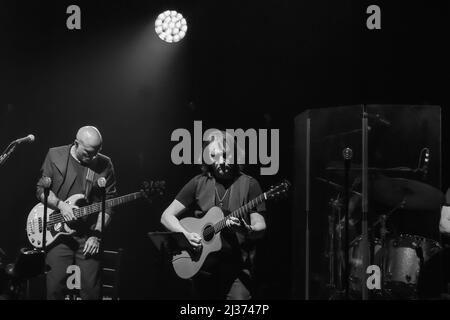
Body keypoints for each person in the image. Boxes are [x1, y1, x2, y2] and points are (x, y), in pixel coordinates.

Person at [161, 130, 266, 300]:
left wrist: (245, 229)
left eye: (225, 155)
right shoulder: (199, 182)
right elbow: (166, 216)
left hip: (236, 269)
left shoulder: (250, 184)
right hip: (203, 267)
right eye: (214, 156)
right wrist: (185, 234)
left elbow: (260, 227)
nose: (221, 161)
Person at [36, 126, 117, 300]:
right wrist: (61, 205)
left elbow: (108, 204)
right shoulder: (55, 155)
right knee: (54, 291)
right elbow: (40, 191)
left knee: (92, 292)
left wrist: (96, 234)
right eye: (88, 152)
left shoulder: (105, 164)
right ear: (76, 144)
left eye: (97, 152)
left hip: (88, 237)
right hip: (57, 233)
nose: (93, 157)